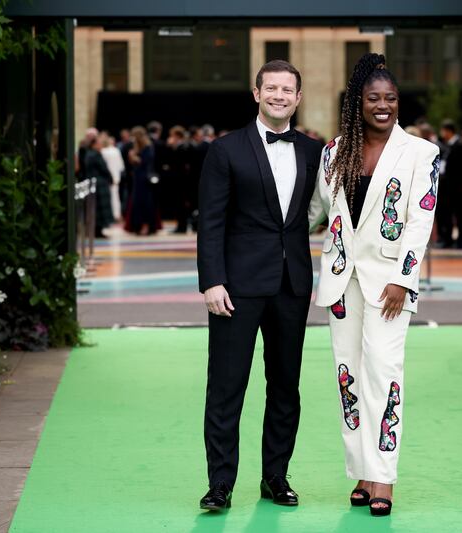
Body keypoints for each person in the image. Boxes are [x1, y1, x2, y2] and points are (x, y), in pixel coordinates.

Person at [308, 53, 440, 517]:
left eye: (390, 98)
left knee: (383, 374)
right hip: (341, 284)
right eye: (373, 98)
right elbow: (315, 214)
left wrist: (405, 279)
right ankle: (361, 470)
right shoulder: (334, 152)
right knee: (348, 378)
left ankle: (383, 478)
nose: (383, 106)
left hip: (389, 286)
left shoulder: (420, 153)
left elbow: (420, 221)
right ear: (356, 103)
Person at [196, 60, 322, 511]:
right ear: (256, 93)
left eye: (287, 90)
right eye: (271, 88)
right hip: (237, 288)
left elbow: (323, 210)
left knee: (286, 386)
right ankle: (221, 485)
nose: (279, 96)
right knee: (227, 387)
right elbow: (210, 222)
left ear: (298, 97)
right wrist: (212, 281)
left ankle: (275, 477)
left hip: (292, 287)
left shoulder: (313, 151)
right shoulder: (225, 150)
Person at [437, 119, 462, 248]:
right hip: (448, 186)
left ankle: (460, 240)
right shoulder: (448, 145)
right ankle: (448, 239)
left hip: (457, 187)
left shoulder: (460, 145)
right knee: (447, 213)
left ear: (448, 131)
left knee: (459, 214)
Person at [125, 126, 161, 235]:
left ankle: (146, 226)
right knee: (137, 202)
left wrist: (134, 157)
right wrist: (132, 157)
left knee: (145, 202)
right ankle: (137, 225)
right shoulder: (137, 147)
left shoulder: (148, 146)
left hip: (145, 178)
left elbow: (145, 162)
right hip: (137, 178)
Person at [84, 135, 114, 238]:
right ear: (94, 144)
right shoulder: (96, 155)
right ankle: (98, 230)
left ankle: (96, 230)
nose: (101, 145)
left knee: (94, 208)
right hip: (100, 184)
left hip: (93, 182)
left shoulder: (88, 154)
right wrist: (111, 178)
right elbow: (103, 168)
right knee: (99, 209)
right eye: (99, 143)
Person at [100, 133, 125, 221]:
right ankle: (117, 214)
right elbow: (121, 166)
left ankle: (111, 215)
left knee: (109, 197)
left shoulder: (103, 152)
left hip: (108, 177)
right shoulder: (116, 150)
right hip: (116, 176)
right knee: (115, 196)